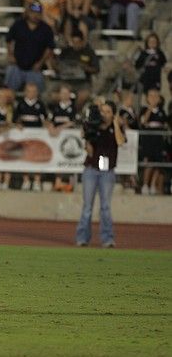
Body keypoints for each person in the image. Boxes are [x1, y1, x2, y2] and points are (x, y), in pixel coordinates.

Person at [76, 100, 126, 248]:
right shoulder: (93, 125)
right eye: (102, 111)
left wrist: (116, 123)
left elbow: (120, 142)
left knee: (105, 206)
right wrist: (87, 135)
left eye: (108, 112)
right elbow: (88, 149)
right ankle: (82, 238)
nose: (104, 114)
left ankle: (107, 239)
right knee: (87, 207)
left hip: (107, 171)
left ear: (113, 114)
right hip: (92, 168)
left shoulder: (115, 127)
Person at [5, 2, 55, 92]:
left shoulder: (46, 29)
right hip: (17, 65)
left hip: (35, 68)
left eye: (38, 13)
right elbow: (9, 40)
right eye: (33, 12)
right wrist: (10, 55)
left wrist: (40, 62)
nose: (35, 15)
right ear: (28, 12)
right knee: (9, 90)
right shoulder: (18, 24)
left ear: (41, 14)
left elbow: (49, 48)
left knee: (36, 93)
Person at [139, 89, 168, 195]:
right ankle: (145, 185)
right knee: (149, 162)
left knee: (158, 163)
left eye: (156, 96)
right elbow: (143, 121)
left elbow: (165, 124)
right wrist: (150, 107)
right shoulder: (144, 109)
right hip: (149, 140)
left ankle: (153, 185)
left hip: (159, 140)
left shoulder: (162, 111)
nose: (154, 98)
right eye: (151, 96)